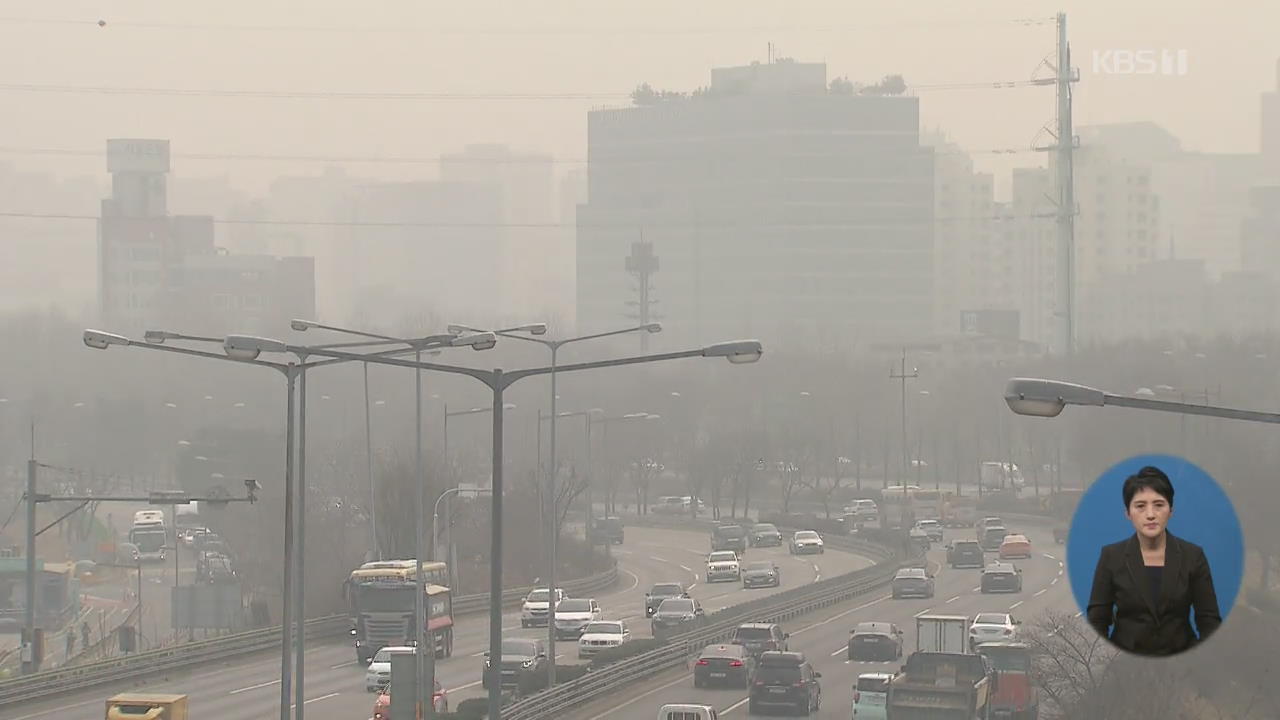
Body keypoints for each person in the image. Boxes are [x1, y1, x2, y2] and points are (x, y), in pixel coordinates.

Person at [1086, 465, 1222, 656]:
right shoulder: (1111, 556)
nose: (1150, 514)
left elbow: (1209, 622)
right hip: (1126, 665)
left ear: (1171, 510)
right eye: (1140, 506)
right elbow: (1097, 622)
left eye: (1159, 505)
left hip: (1181, 664)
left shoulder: (1193, 556)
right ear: (1128, 513)